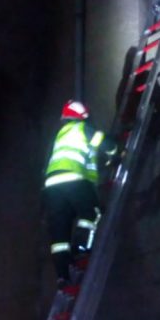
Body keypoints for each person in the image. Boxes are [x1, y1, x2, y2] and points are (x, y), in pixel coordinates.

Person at [42, 99, 118, 284]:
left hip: (51, 187)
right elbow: (106, 144)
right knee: (91, 213)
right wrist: (117, 152)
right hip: (73, 178)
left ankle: (63, 275)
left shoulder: (59, 135)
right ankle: (82, 247)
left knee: (59, 234)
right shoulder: (81, 128)